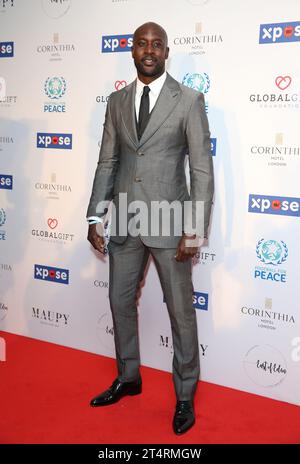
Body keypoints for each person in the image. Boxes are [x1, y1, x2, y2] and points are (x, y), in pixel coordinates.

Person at [86, 21, 214, 435]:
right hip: (123, 219)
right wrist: (94, 216)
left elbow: (201, 171)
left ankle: (184, 394)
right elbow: (108, 161)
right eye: (142, 43)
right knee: (119, 302)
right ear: (132, 50)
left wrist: (193, 231)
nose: (149, 50)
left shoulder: (189, 100)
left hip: (170, 224)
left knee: (180, 312)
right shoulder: (116, 101)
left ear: (166, 52)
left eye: (157, 44)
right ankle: (129, 376)